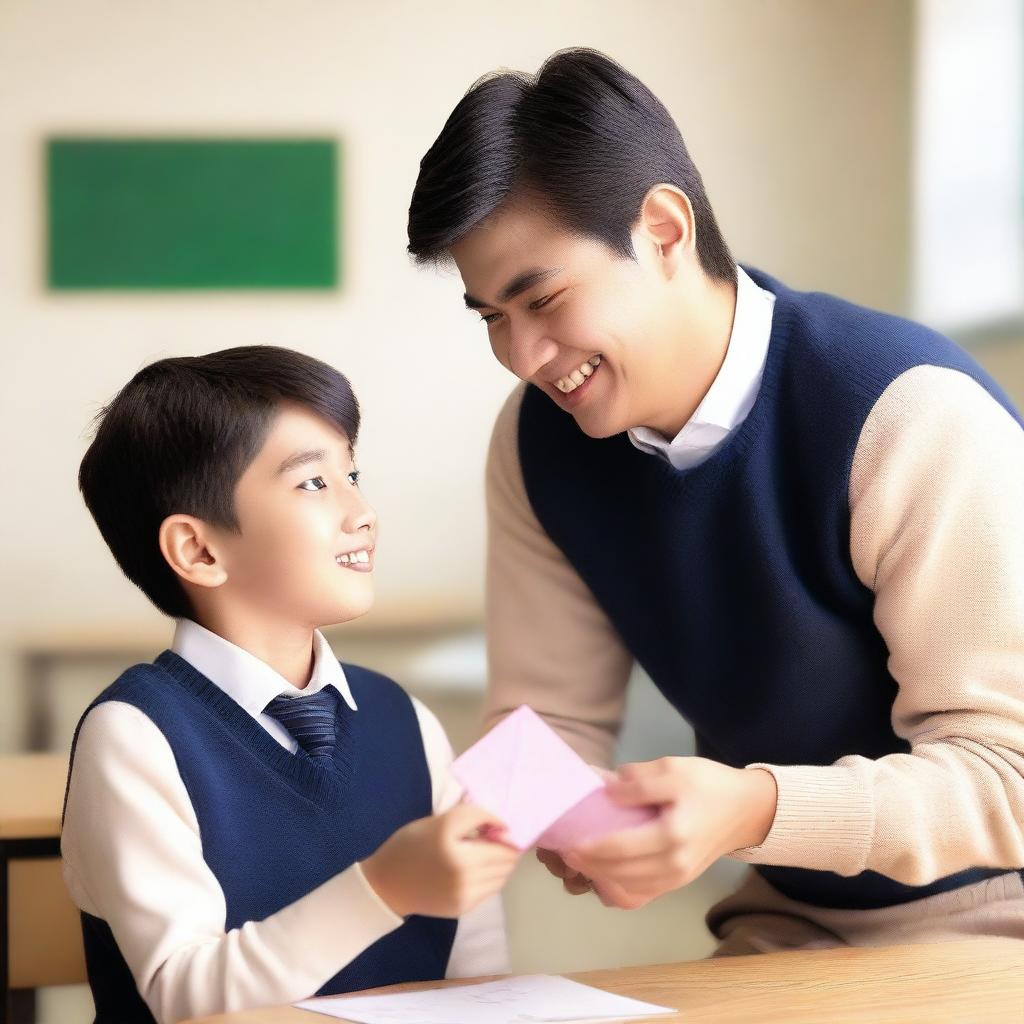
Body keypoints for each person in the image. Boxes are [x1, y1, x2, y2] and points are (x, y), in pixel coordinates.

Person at [406, 47, 1024, 953]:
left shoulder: (908, 415)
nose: (523, 355)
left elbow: (1007, 776)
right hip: (785, 918)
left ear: (662, 230)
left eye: (542, 299)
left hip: (996, 919)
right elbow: (540, 722)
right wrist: (570, 820)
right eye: (492, 316)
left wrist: (752, 807)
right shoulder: (537, 445)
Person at [64, 345, 518, 1023]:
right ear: (199, 549)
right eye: (313, 483)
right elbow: (185, 997)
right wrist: (381, 887)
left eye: (354, 473)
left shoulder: (405, 719)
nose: (361, 511)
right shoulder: (135, 737)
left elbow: (479, 978)